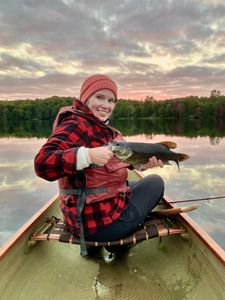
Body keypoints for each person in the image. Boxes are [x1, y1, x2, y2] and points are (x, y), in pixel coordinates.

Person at [34, 74, 164, 256]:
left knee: (134, 183)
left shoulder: (103, 129)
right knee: (155, 183)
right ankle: (117, 245)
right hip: (99, 225)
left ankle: (103, 245)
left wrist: (141, 165)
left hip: (85, 218)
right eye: (100, 97)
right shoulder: (75, 125)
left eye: (111, 100)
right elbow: (42, 164)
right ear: (85, 98)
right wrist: (87, 155)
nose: (106, 105)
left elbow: (116, 164)